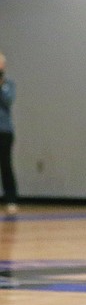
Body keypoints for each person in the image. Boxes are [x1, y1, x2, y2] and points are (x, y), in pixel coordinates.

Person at [0, 52, 18, 216]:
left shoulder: (9, 84)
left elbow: (7, 100)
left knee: (5, 164)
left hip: (4, 130)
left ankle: (11, 199)